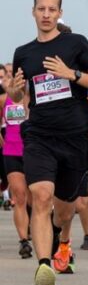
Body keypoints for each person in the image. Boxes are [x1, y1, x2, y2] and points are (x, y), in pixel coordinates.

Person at [11, 0, 88, 285]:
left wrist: (72, 73)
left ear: (59, 13)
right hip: (39, 135)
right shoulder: (23, 53)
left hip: (74, 138)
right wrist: (14, 90)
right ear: (33, 12)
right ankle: (44, 266)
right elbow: (20, 99)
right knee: (40, 195)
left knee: (65, 210)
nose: (46, 14)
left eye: (51, 9)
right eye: (41, 8)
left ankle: (56, 235)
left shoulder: (75, 43)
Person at [2, 69, 32, 259]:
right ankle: (24, 241)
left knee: (35, 199)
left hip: (34, 152)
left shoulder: (34, 99)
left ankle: (39, 232)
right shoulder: (4, 99)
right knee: (19, 197)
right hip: (11, 152)